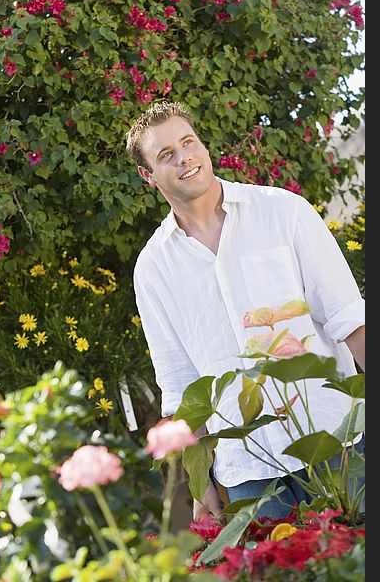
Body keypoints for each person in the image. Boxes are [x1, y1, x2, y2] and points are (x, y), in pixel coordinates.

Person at [126, 101, 365, 523]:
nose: (184, 158)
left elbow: (351, 319)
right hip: (248, 474)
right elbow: (181, 388)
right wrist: (202, 488)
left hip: (336, 443)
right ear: (148, 176)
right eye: (166, 155)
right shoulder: (152, 269)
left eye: (188, 142)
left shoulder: (283, 212)